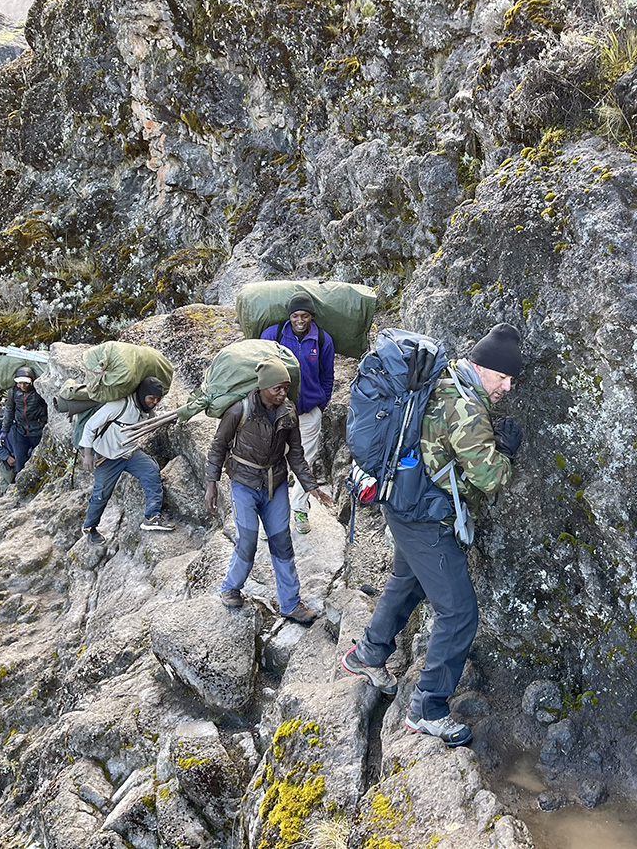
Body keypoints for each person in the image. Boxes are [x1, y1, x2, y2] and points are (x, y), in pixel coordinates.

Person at [339, 323, 524, 747]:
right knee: (459, 613)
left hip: (400, 501)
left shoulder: (441, 381)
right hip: (424, 518)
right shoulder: (467, 410)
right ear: (481, 367)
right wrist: (507, 453)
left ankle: (368, 654)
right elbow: (490, 477)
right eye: (503, 377)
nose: (508, 387)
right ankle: (428, 709)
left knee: (408, 582)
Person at [204, 357, 334, 624]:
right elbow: (218, 447)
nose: (283, 393)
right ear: (263, 388)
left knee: (282, 543)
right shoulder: (238, 411)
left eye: (286, 388)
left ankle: (290, 603)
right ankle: (230, 586)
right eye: (278, 388)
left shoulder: (288, 412)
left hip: (275, 484)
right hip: (244, 484)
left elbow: (295, 454)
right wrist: (211, 484)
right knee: (248, 542)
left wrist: (312, 488)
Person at [260, 293, 334, 535]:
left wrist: (320, 402)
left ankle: (300, 508)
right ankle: (269, 518)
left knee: (306, 462)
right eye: (295, 316)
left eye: (304, 316)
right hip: (278, 413)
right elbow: (260, 370)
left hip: (309, 413)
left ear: (311, 316)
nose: (299, 320)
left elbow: (327, 376)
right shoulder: (274, 335)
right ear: (289, 316)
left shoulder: (322, 339)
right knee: (271, 461)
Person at [80, 377, 176, 544]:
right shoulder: (119, 405)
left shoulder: (145, 411)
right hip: (106, 457)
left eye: (157, 400)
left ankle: (152, 517)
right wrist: (88, 454)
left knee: (150, 470)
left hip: (129, 453)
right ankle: (90, 528)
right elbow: (90, 426)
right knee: (101, 494)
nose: (154, 402)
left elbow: (152, 421)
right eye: (151, 398)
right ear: (142, 395)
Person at [0, 366, 48, 475]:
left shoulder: (38, 392)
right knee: (19, 459)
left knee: (39, 459)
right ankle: (20, 483)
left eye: (25, 383)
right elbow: (9, 410)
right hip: (20, 430)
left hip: (37, 430)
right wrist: (4, 430)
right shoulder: (13, 392)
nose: (22, 386)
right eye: (19, 383)